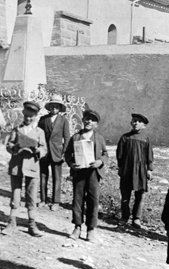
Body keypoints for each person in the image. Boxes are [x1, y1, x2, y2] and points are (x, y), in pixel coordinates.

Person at [1, 101, 47, 237]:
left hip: (32, 166)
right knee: (15, 194)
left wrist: (38, 150)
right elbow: (9, 144)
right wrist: (13, 147)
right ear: (23, 115)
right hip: (17, 165)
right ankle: (11, 222)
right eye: (26, 116)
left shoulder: (39, 132)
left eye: (31, 117)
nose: (28, 119)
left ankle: (32, 224)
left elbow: (44, 148)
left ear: (36, 117)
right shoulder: (17, 129)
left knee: (31, 195)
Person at [65, 109, 108, 243]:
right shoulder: (76, 137)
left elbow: (105, 154)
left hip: (93, 173)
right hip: (79, 173)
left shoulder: (99, 138)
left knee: (93, 200)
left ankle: (91, 229)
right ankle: (77, 227)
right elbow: (67, 154)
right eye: (87, 119)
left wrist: (100, 161)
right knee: (78, 200)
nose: (89, 121)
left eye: (93, 120)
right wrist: (72, 164)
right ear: (82, 120)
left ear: (97, 124)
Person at [116, 112, 154, 228]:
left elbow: (149, 155)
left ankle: (136, 218)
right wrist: (121, 167)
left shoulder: (146, 139)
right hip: (127, 170)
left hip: (141, 171)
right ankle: (124, 217)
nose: (136, 123)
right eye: (134, 121)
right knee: (125, 195)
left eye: (139, 121)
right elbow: (120, 154)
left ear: (144, 126)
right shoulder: (125, 137)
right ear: (131, 123)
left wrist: (149, 169)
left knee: (140, 195)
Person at [38, 94, 70, 211]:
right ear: (49, 107)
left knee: (57, 177)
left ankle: (56, 201)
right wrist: (39, 149)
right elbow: (38, 135)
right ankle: (43, 199)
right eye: (52, 106)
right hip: (44, 151)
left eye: (57, 107)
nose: (54, 109)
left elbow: (67, 138)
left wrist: (64, 152)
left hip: (57, 152)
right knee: (43, 175)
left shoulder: (63, 121)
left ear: (60, 109)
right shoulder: (43, 120)